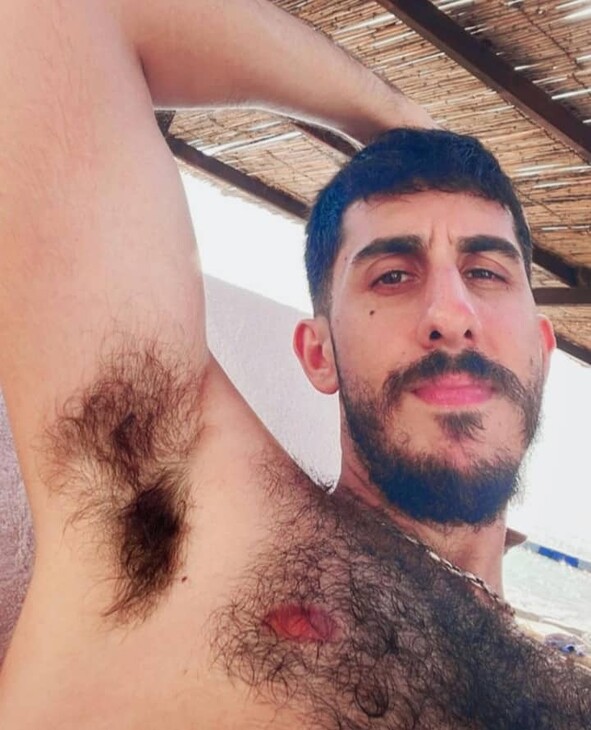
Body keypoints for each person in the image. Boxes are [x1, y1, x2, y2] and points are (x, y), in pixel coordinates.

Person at [0, 1, 588, 728]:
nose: (449, 311)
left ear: (541, 351)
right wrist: (395, 117)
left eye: (486, 272)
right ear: (319, 353)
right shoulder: (183, 522)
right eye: (392, 276)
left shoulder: (561, 681)